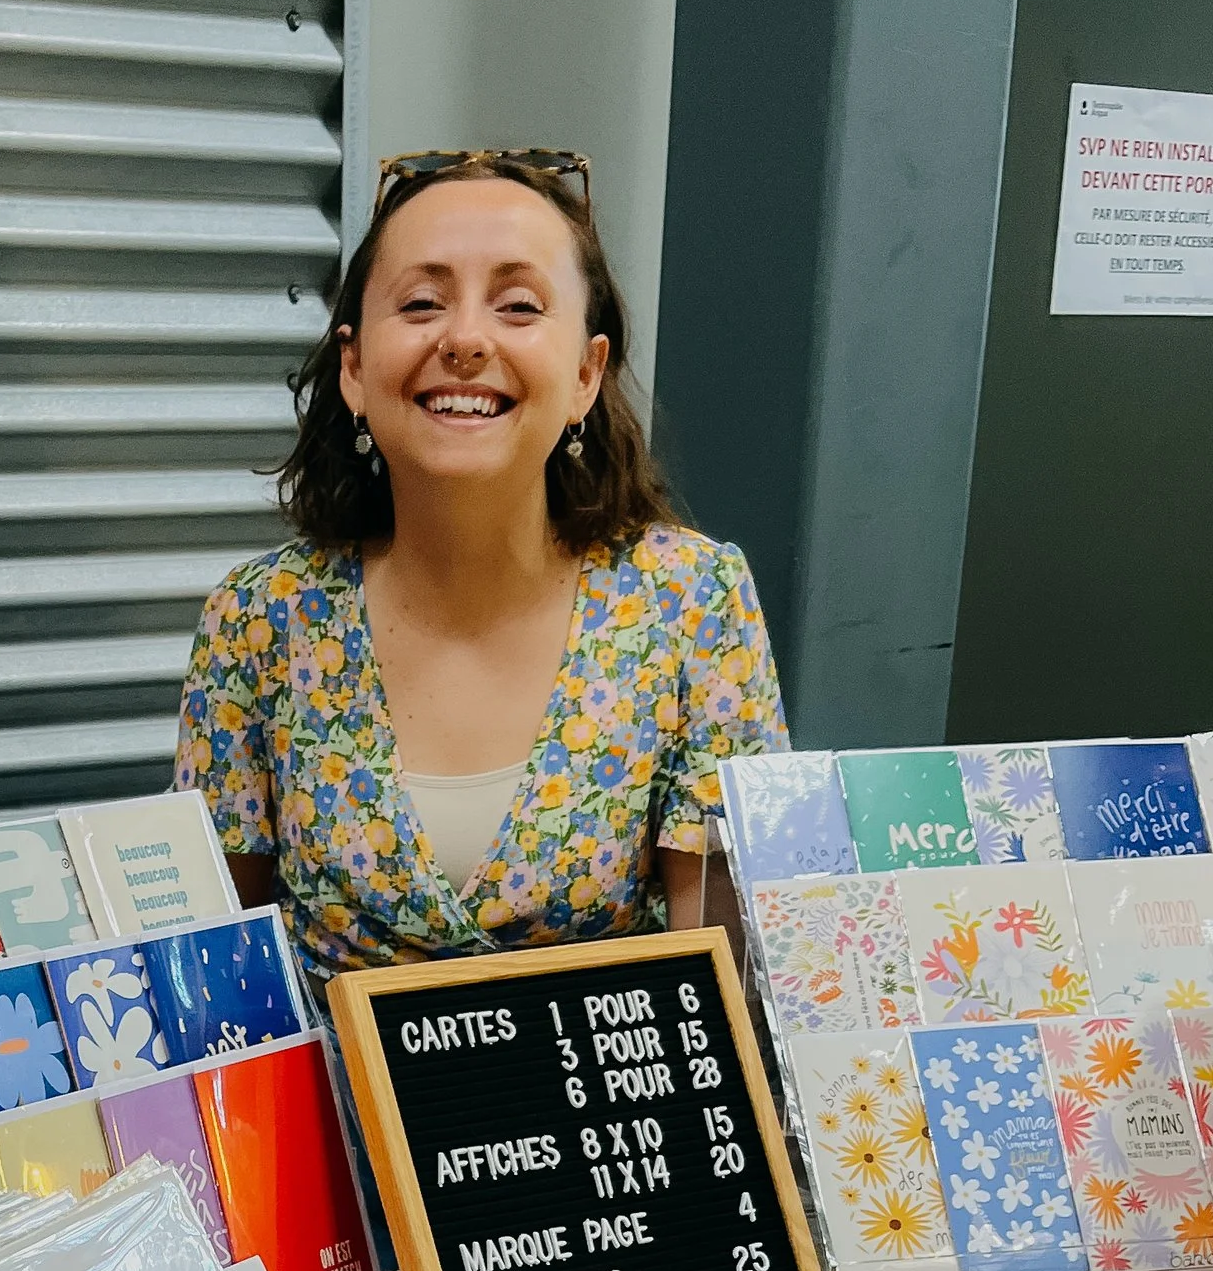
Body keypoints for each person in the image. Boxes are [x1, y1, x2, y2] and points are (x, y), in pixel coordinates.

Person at [174, 148, 789, 990]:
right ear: (354, 369)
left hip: (608, 1112)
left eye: (518, 305)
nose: (464, 339)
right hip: (330, 1120)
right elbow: (214, 976)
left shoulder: (692, 602)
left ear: (585, 372)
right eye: (422, 303)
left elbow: (720, 988)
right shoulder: (257, 618)